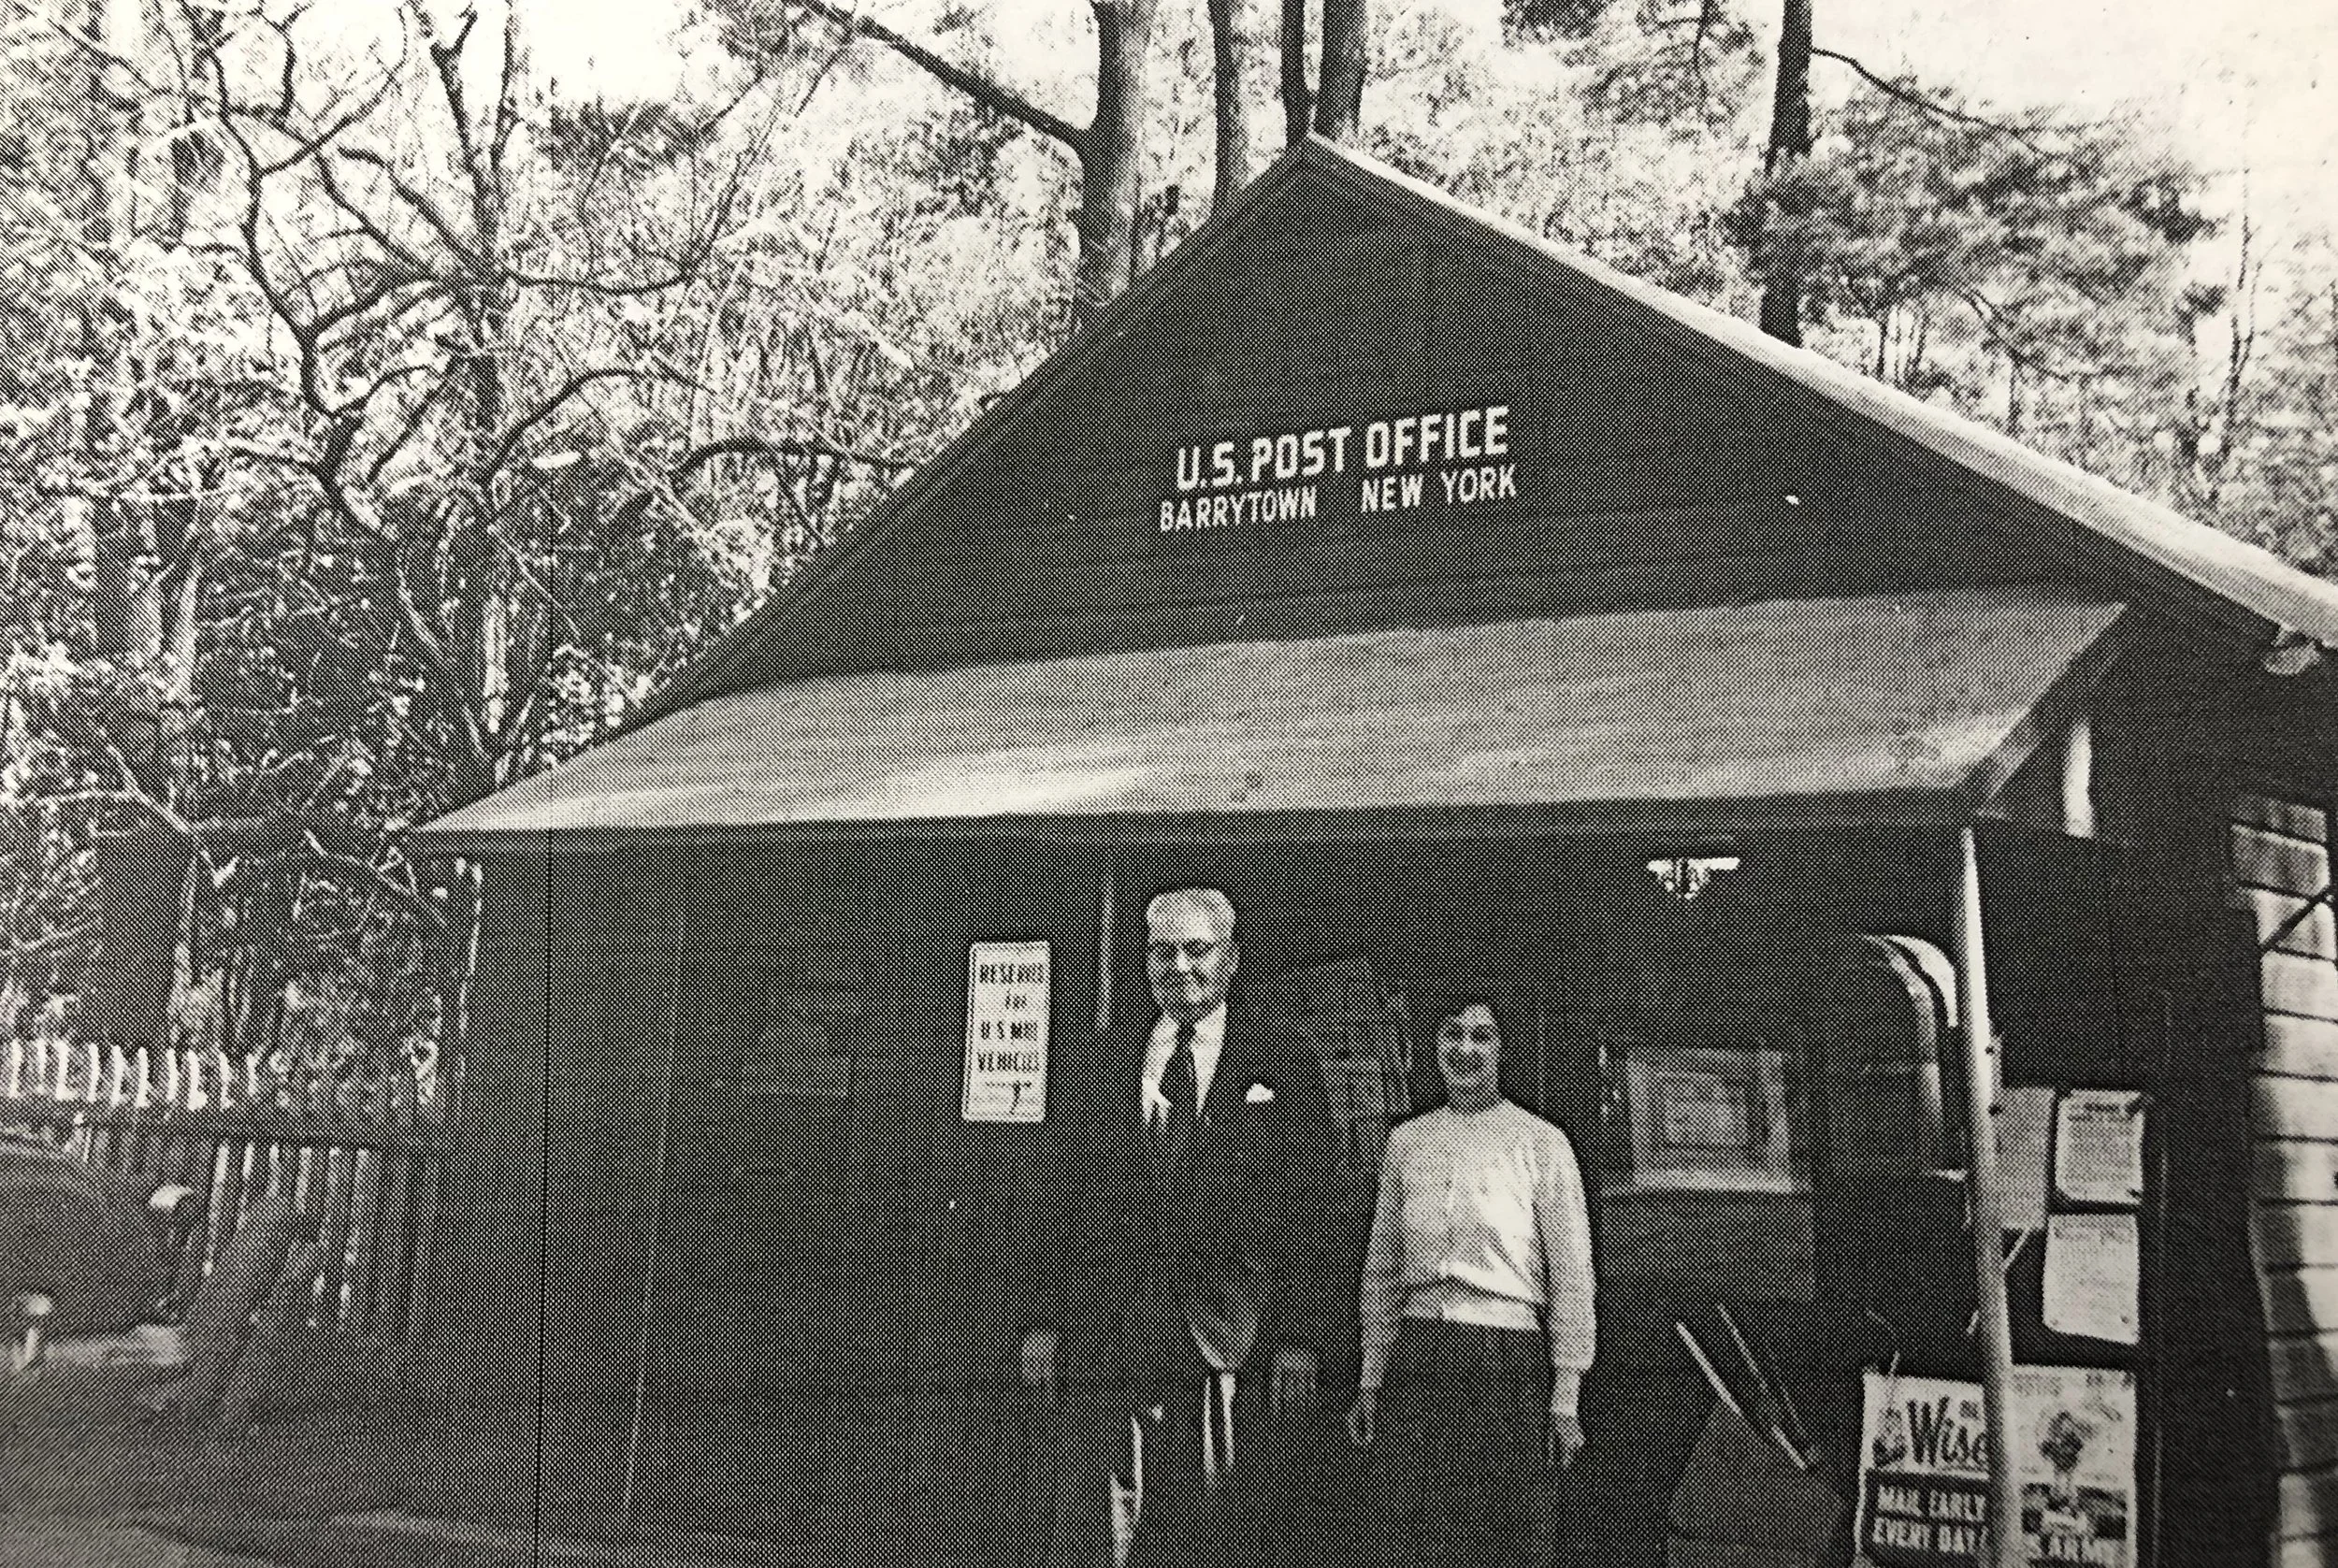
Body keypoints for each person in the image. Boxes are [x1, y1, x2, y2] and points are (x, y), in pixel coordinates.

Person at [1031, 888, 1341, 1568]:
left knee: (1214, 1521)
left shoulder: (1281, 1061)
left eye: (1197, 950)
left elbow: (1315, 1209)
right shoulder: (1103, 1060)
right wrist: (1044, 1318)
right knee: (1104, 1522)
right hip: (1111, 1324)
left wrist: (1302, 1335)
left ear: (1231, 959)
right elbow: (1059, 1197)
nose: (1179, 966)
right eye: (1161, 951)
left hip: (1229, 1332)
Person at [1346, 995, 1595, 1568]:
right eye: (1452, 1035)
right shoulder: (1408, 1142)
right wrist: (1372, 1374)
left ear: (1502, 1048)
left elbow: (1573, 1273)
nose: (1465, 1050)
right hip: (1421, 1354)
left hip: (1506, 1360)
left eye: (1480, 1036)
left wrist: (1566, 1395)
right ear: (1433, 1048)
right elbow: (1384, 1268)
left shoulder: (1541, 1144)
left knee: (1504, 1538)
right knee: (1413, 1537)